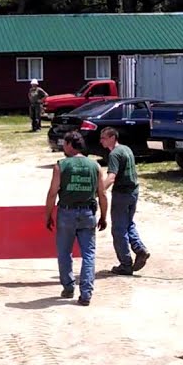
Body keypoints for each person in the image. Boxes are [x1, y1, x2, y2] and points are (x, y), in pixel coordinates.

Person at [45, 131, 107, 306]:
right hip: (88, 213)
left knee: (65, 253)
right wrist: (103, 216)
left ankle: (68, 287)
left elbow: (52, 194)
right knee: (88, 254)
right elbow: (101, 194)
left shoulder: (61, 166)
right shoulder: (94, 166)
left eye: (65, 144)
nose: (63, 147)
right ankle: (86, 294)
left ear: (71, 145)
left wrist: (48, 214)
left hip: (66, 213)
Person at [99, 127, 150, 275]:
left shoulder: (114, 154)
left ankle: (125, 264)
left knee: (118, 230)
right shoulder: (126, 149)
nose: (101, 141)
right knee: (128, 223)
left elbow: (111, 177)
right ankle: (140, 249)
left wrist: (99, 191)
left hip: (122, 194)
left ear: (112, 138)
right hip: (133, 192)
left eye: (103, 138)